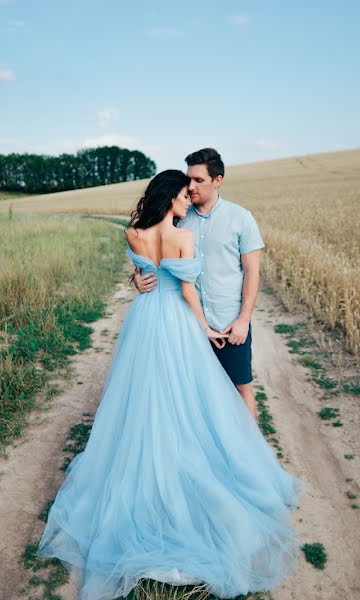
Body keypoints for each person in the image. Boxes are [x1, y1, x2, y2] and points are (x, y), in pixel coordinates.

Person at [36, 169, 305, 600]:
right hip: (176, 323)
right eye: (183, 194)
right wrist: (204, 331)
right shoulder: (183, 237)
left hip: (144, 320)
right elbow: (187, 294)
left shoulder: (133, 233)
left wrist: (139, 281)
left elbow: (145, 278)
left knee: (142, 395)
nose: (187, 199)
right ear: (171, 197)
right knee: (188, 397)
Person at [134, 148, 262, 422]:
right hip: (185, 325)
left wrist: (243, 320)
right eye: (188, 180)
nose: (190, 187)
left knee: (240, 388)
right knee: (190, 395)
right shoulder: (179, 217)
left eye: (198, 180)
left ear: (218, 181)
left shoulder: (241, 218)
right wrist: (138, 278)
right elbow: (152, 254)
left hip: (227, 322)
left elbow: (252, 274)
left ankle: (252, 453)